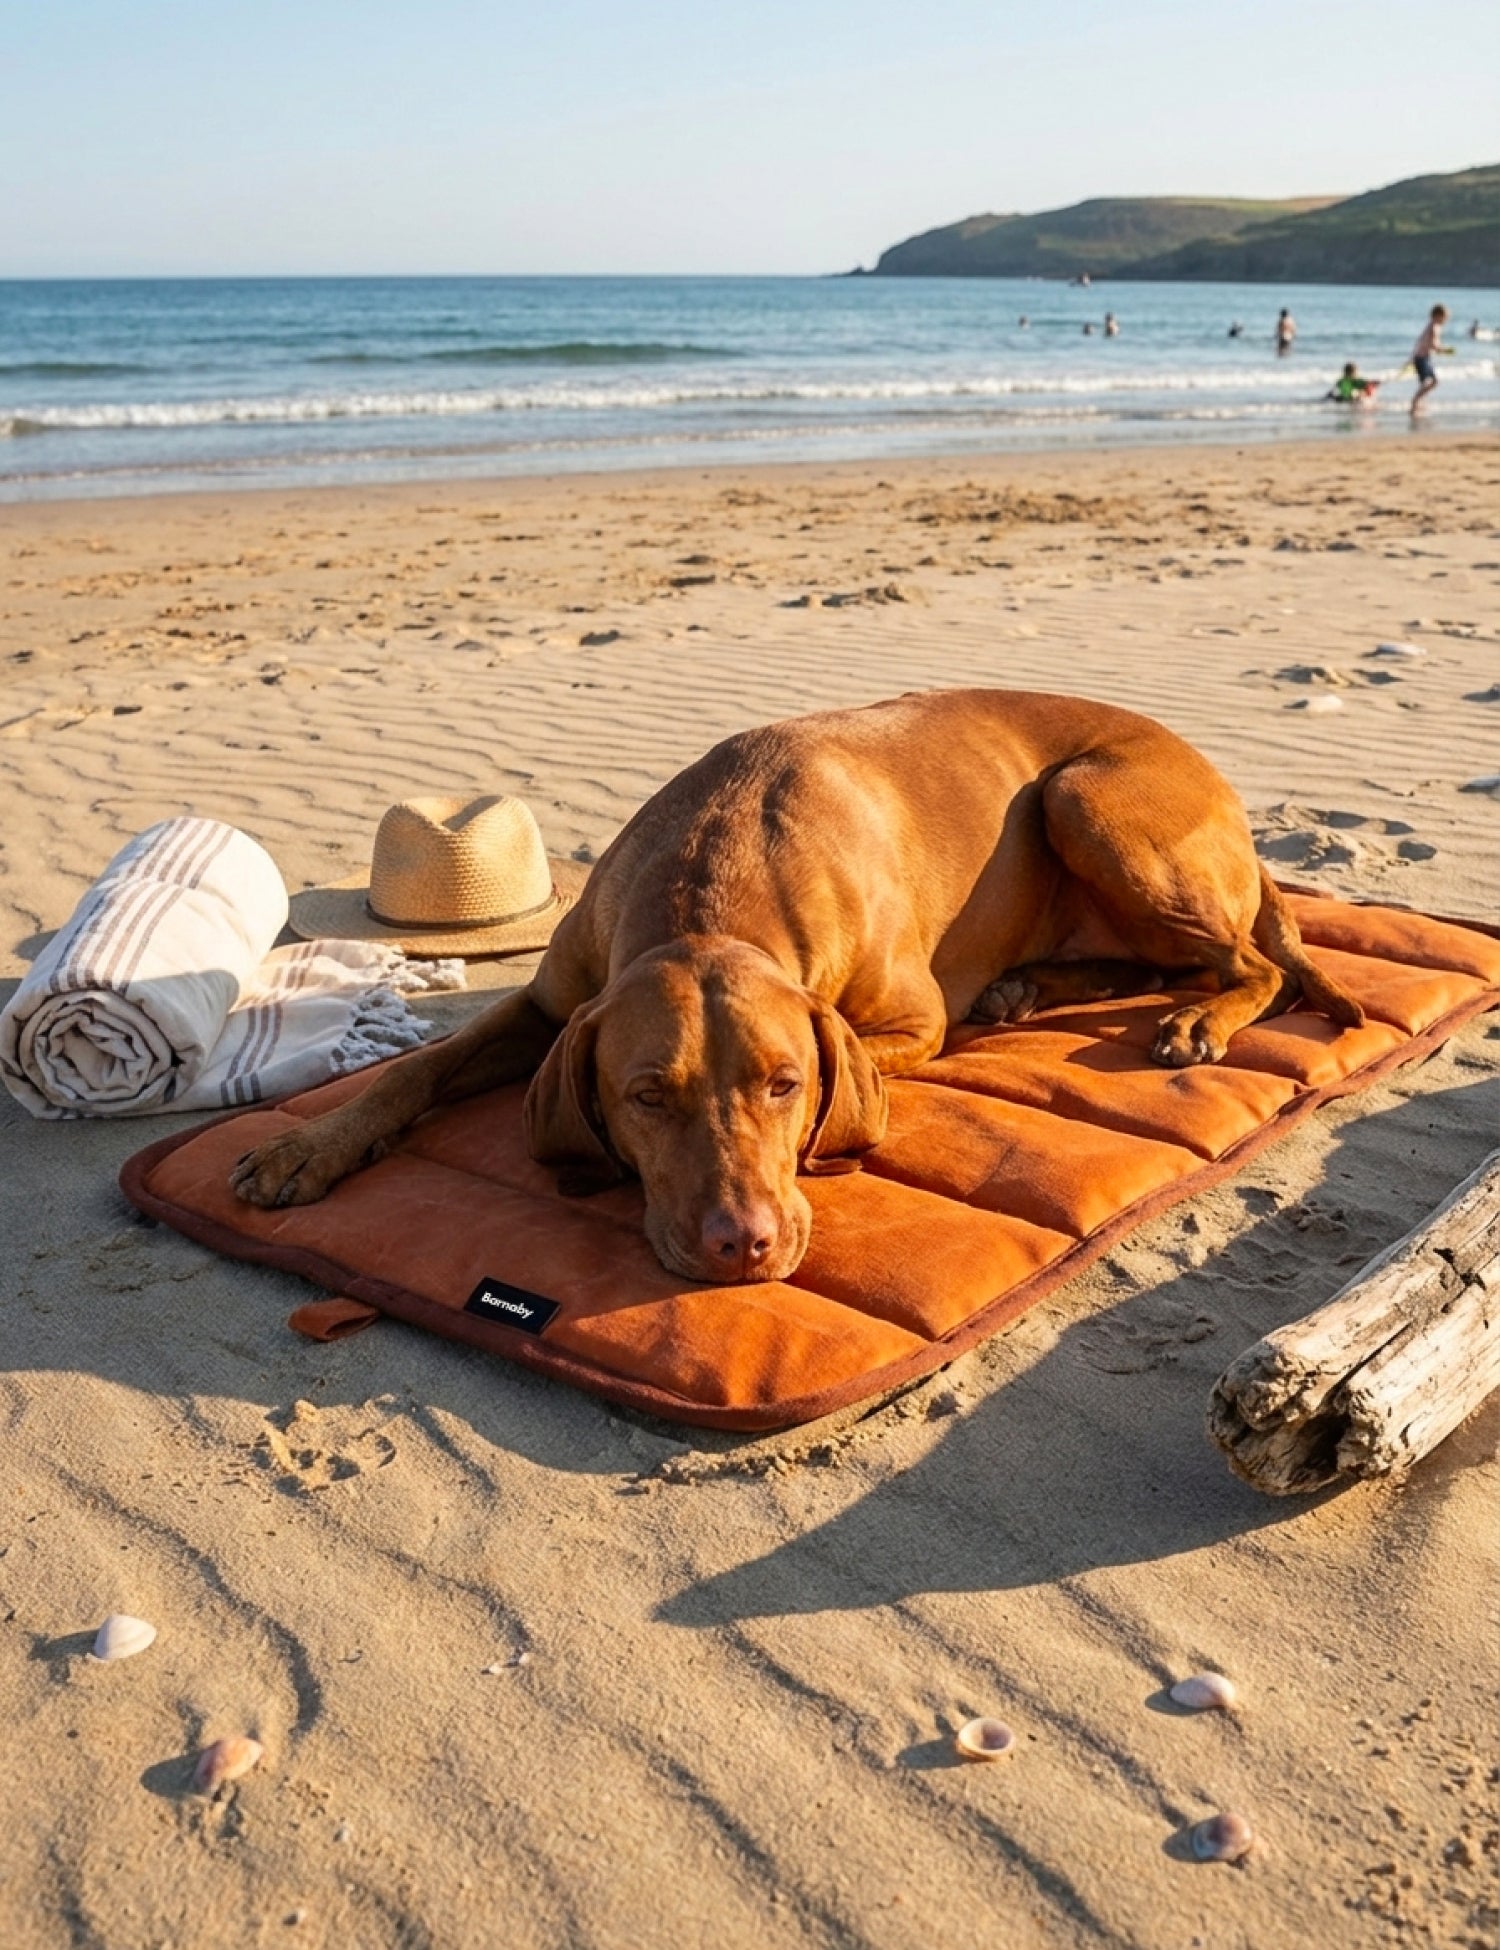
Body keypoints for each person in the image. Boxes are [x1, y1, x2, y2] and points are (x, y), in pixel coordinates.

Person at [1410, 304, 1451, 416]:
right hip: (1421, 358)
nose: (1446, 320)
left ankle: (1419, 403)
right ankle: (1415, 402)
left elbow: (1423, 342)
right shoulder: (1434, 327)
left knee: (1429, 382)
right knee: (1431, 382)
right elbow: (1433, 344)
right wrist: (1445, 350)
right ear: (1438, 316)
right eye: (1445, 318)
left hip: (1422, 357)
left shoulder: (1431, 326)